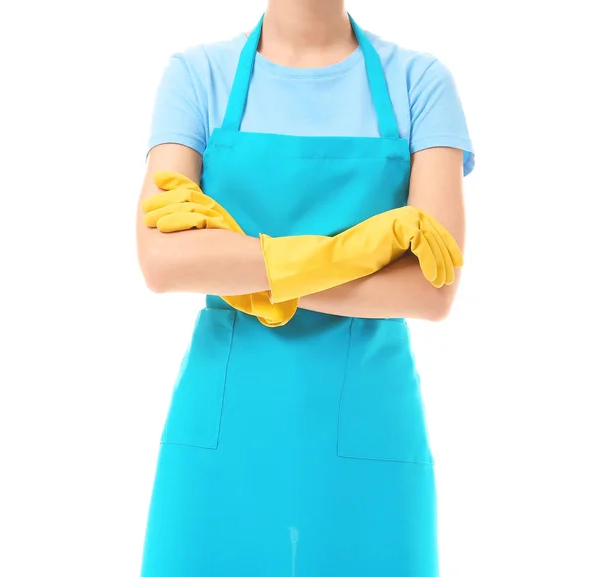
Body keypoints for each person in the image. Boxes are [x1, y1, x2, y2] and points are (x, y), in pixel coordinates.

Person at [136, 1, 474, 575]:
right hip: (222, 432)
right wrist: (355, 251)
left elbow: (430, 288)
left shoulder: (418, 82)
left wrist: (240, 266)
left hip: (368, 428)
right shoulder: (198, 77)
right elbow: (163, 261)